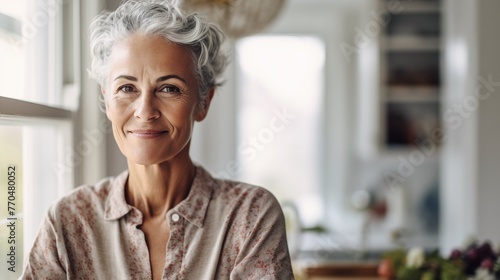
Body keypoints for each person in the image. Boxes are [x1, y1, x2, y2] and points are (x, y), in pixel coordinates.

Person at [21, 0, 294, 279]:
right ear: (106, 98)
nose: (145, 111)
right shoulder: (68, 221)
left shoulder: (250, 215)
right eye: (127, 88)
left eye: (168, 88)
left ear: (203, 102)